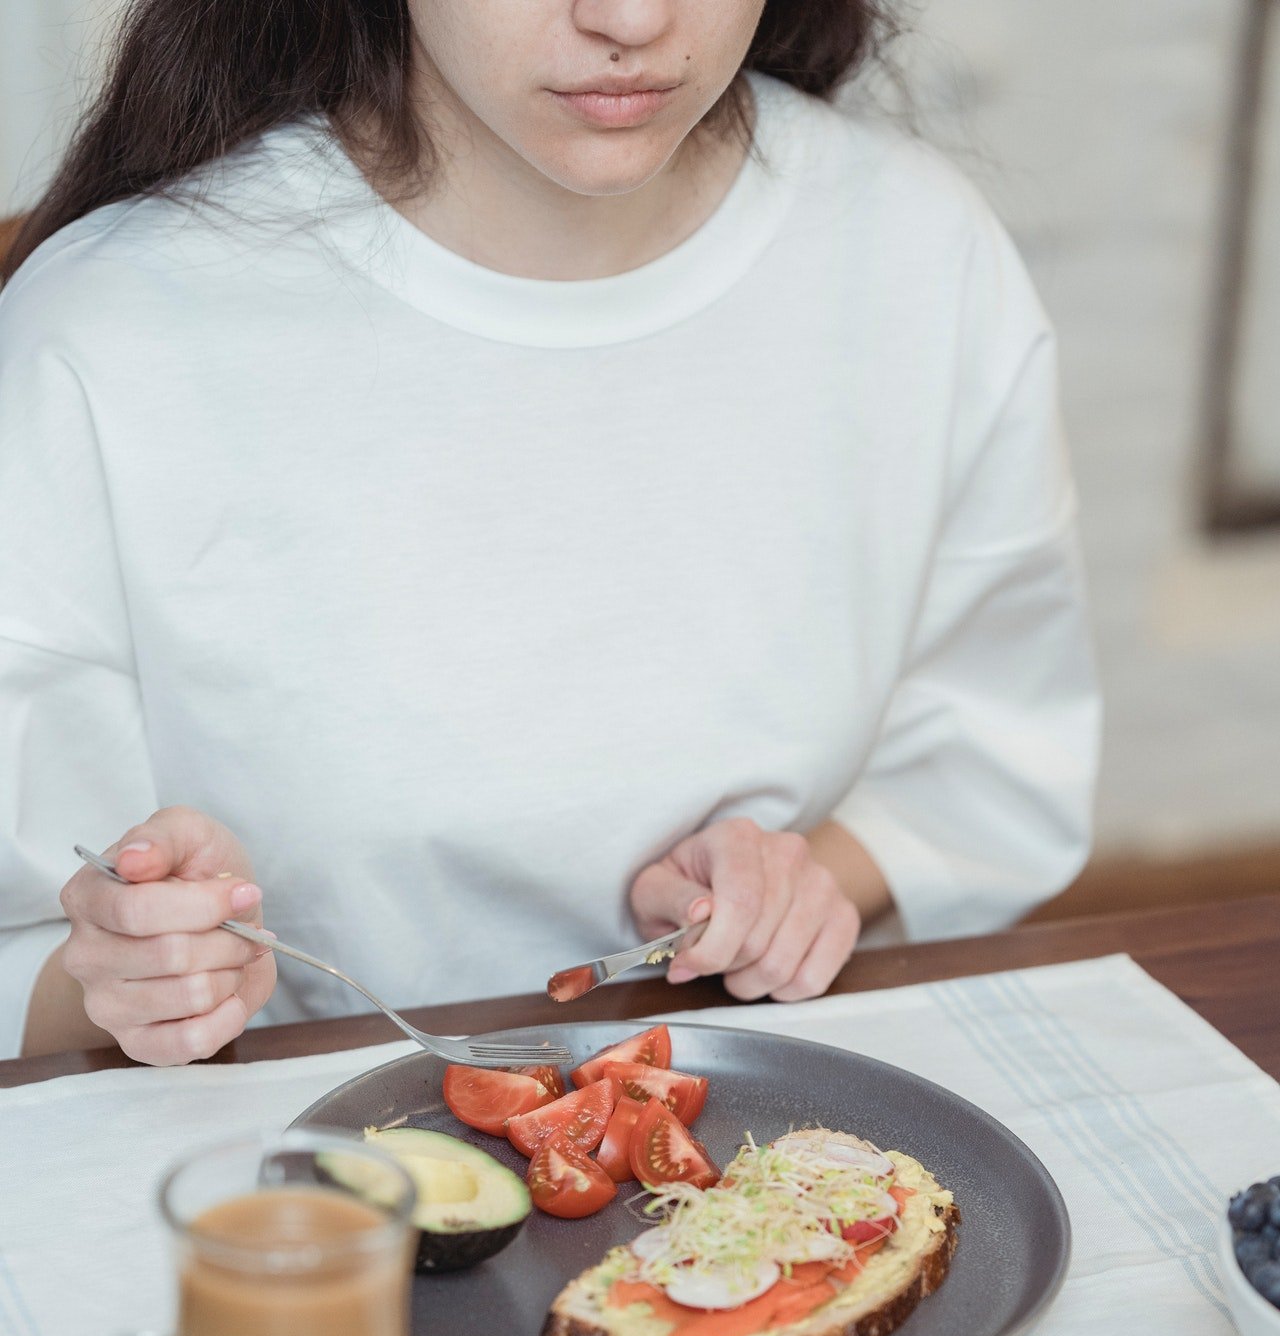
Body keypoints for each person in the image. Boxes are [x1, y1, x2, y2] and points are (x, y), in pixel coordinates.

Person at [0, 0, 1098, 1066]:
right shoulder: (113, 331)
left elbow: (990, 758)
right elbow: (30, 954)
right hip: (291, 1188)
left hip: (760, 1127)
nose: (628, 19)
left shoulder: (910, 248)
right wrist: (132, 975)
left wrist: (804, 880)